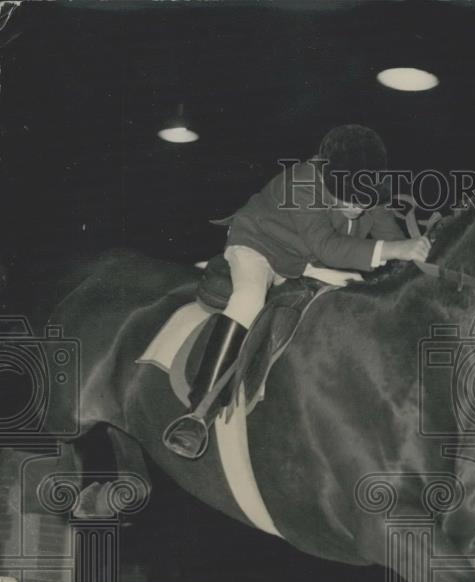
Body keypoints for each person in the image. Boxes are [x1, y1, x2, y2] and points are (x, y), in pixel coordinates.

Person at [163, 124, 431, 459]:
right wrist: (396, 250)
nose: (357, 209)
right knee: (248, 300)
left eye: (365, 201)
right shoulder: (303, 180)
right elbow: (329, 247)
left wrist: (421, 262)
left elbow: (390, 239)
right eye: (347, 200)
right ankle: (197, 411)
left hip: (301, 259)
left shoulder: (366, 187)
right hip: (258, 246)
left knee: (359, 292)